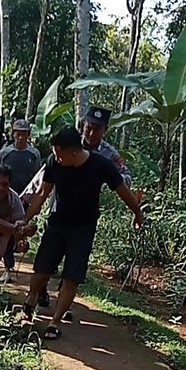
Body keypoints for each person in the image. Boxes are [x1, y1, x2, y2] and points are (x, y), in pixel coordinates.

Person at [19, 127, 142, 340]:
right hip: (56, 223)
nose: (57, 158)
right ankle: (30, 302)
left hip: (83, 229)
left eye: (60, 155)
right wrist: (26, 218)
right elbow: (42, 193)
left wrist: (137, 214)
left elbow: (123, 191)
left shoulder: (101, 165)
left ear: (74, 153)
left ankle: (55, 321)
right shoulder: (53, 162)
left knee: (71, 277)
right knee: (42, 270)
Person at [37, 106, 132, 314]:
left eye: (96, 129)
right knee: (47, 259)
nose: (91, 133)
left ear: (104, 130)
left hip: (84, 216)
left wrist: (106, 179)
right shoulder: (70, 142)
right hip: (59, 209)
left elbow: (124, 177)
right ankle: (39, 291)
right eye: (88, 127)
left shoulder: (108, 155)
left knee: (73, 265)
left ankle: (63, 304)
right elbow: (47, 173)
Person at [0, 119, 41, 283]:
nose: (20, 136)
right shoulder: (5, 153)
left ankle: (17, 257)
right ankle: (8, 267)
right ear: (13, 133)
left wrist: (33, 198)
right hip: (6, 198)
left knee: (20, 232)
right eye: (18, 133)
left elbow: (38, 178)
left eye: (24, 133)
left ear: (28, 135)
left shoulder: (33, 154)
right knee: (7, 231)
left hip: (26, 199)